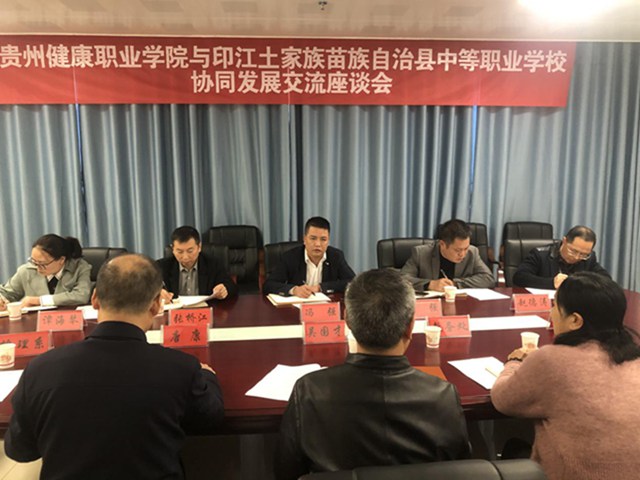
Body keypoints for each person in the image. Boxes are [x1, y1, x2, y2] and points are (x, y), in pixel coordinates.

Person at [5, 253, 224, 479]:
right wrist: (207, 376)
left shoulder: (40, 369)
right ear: (156, 305)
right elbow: (210, 418)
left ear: (95, 299)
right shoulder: (180, 368)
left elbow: (20, 450)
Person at [275, 269, 470, 479]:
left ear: (347, 321)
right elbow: (460, 470)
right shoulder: (443, 395)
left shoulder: (309, 391)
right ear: (411, 326)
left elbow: (286, 471)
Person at [491, 272, 640, 480]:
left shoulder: (551, 360)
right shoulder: (634, 357)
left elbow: (502, 399)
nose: (551, 312)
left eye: (555, 306)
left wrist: (514, 362)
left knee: (512, 444)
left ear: (575, 320)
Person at [262, 217, 355, 297]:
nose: (317, 244)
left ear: (328, 241)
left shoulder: (336, 256)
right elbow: (268, 285)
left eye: (323, 239)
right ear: (305, 239)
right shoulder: (290, 257)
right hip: (296, 307)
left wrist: (321, 287)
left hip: (324, 307)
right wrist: (294, 290)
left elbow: (353, 282)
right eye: (313, 238)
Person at [0, 234, 91, 310]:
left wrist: (39, 301)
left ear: (61, 260)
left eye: (42, 264)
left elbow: (81, 295)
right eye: (33, 261)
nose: (37, 268)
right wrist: (2, 299)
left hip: (68, 319)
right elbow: (7, 293)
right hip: (34, 322)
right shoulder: (26, 271)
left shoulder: (79, 268)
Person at [401, 219, 494, 292]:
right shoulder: (421, 253)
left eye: (466, 248)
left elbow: (488, 279)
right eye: (458, 250)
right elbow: (402, 280)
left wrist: (455, 284)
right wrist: (429, 284)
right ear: (442, 244)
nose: (463, 254)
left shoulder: (472, 252)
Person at [513, 225, 610, 289]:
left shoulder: (589, 258)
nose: (577, 257)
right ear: (564, 241)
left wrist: (583, 283)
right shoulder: (540, 254)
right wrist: (551, 283)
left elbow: (606, 279)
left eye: (583, 254)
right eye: (573, 251)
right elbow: (520, 277)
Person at [157, 226, 237, 302]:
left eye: (190, 251)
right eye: (180, 252)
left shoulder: (213, 264)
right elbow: (150, 289)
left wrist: (224, 289)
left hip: (204, 309)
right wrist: (158, 294)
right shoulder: (161, 267)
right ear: (173, 249)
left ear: (199, 247)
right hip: (176, 310)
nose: (185, 257)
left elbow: (232, 287)